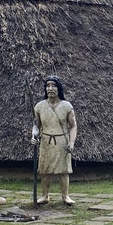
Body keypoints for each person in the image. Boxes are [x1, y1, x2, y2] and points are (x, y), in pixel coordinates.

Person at [31, 75, 77, 205]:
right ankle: (45, 195)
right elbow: (36, 125)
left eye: (53, 85)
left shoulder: (67, 106)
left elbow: (73, 126)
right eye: (48, 86)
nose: (50, 88)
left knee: (63, 170)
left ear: (59, 88)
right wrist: (34, 136)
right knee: (45, 170)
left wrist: (71, 142)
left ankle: (65, 196)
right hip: (46, 140)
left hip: (61, 140)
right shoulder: (39, 106)